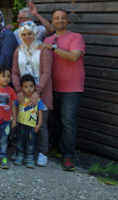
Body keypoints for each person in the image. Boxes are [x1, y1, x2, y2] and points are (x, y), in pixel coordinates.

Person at [42, 9, 85, 171]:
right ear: (52, 21)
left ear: (67, 20)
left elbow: (73, 57)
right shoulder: (48, 39)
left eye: (63, 18)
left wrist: (52, 48)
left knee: (68, 122)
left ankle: (68, 156)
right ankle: (56, 148)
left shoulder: (76, 37)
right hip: (51, 88)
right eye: (56, 18)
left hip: (72, 89)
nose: (60, 21)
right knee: (53, 121)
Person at [11, 20, 53, 167]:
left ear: (35, 33)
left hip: (41, 92)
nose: (27, 37)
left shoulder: (43, 50)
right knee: (23, 123)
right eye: (24, 34)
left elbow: (47, 73)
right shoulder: (18, 51)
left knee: (41, 124)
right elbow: (15, 72)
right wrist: (18, 91)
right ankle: (22, 151)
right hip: (23, 93)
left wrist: (38, 92)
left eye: (30, 33)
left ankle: (42, 152)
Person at [13, 74, 46, 168]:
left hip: (31, 127)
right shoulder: (20, 99)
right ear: (22, 88)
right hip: (20, 125)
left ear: (35, 86)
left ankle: (30, 158)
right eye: (26, 87)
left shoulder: (37, 100)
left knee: (30, 143)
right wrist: (14, 120)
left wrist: (39, 125)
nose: (29, 89)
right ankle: (19, 156)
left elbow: (40, 113)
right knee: (20, 141)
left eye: (31, 86)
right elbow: (14, 108)